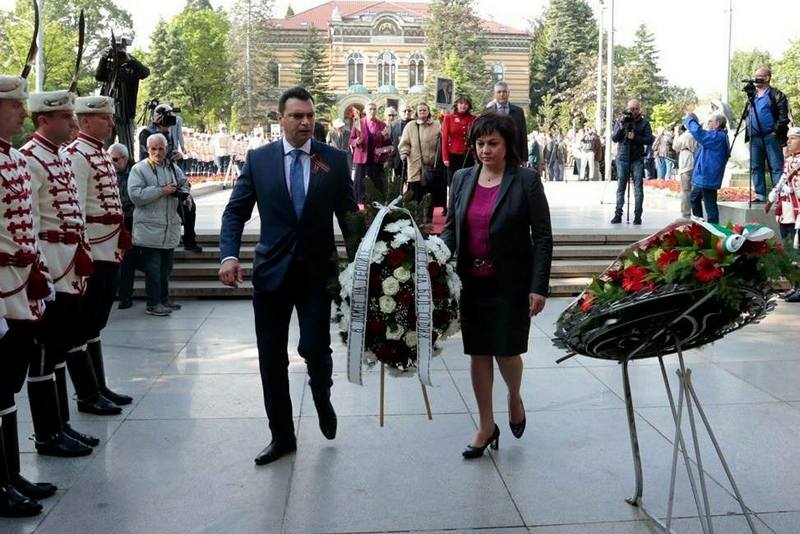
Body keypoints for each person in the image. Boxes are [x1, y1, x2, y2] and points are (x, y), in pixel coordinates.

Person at [219, 87, 357, 466]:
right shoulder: (259, 159)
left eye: (310, 115)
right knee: (271, 358)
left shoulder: (333, 160)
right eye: (297, 116)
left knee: (315, 347)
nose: (305, 122)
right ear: (280, 119)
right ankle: (281, 436)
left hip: (317, 274)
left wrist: (363, 263)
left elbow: (349, 217)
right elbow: (235, 212)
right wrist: (229, 255)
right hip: (271, 275)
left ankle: (322, 395)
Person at [441, 113, 553, 459]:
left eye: (493, 143)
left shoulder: (526, 180)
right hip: (471, 283)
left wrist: (538, 286)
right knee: (478, 352)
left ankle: (514, 396)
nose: (485, 150)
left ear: (507, 146)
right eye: (480, 143)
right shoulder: (462, 178)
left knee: (506, 351)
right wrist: (433, 257)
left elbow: (543, 236)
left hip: (511, 283)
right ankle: (486, 425)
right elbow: (451, 228)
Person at [21, 89, 99, 458]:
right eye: (66, 117)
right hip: (50, 265)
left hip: (68, 263)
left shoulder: (58, 156)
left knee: (59, 348)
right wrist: (39, 270)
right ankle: (47, 435)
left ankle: (61, 425)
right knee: (44, 351)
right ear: (44, 120)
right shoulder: (30, 159)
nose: (72, 123)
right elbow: (30, 222)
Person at [0, 75, 59, 518]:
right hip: (2, 288)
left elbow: (30, 224)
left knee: (8, 384)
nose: (24, 112)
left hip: (21, 285)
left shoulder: (13, 159)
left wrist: (37, 269)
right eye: (15, 105)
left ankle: (10, 474)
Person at [63, 95, 132, 415]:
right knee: (83, 322)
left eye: (110, 117)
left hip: (109, 248)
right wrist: (82, 251)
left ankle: (99, 386)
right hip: (93, 249)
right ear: (85, 121)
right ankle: (87, 394)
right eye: (104, 117)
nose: (110, 122)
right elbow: (75, 208)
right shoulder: (77, 155)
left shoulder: (100, 154)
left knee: (96, 322)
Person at [128, 134, 189, 317]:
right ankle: (153, 304)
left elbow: (184, 183)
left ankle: (163, 300)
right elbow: (136, 196)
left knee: (165, 269)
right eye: (153, 149)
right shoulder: (139, 169)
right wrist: (161, 191)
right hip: (149, 230)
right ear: (147, 149)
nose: (157, 152)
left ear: (166, 148)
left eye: (161, 148)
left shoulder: (172, 167)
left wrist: (185, 196)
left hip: (169, 228)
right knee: (153, 270)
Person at [139, 105, 201, 253]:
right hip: (153, 179)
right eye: (168, 116)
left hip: (170, 175)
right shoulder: (147, 133)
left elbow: (170, 155)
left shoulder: (168, 134)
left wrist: (177, 155)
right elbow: (151, 157)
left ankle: (189, 239)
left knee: (189, 205)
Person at [95, 37, 149, 157]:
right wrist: (103, 58)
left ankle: (128, 166)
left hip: (125, 114)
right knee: (105, 148)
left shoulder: (131, 63)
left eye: (121, 47)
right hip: (108, 113)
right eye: (116, 47)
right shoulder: (108, 63)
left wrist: (129, 59)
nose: (118, 50)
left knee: (127, 149)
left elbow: (145, 73)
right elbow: (98, 76)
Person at [766, 126, 800, 302]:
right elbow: (783, 178)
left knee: (797, 248)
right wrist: (775, 193)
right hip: (786, 211)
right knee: (788, 250)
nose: (788, 141)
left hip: (797, 211)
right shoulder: (789, 160)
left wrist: (792, 189)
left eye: (792, 138)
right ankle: (794, 285)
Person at [747, 66, 791, 202]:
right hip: (754, 138)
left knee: (776, 166)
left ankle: (779, 196)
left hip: (771, 136)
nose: (756, 79)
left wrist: (775, 132)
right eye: (755, 76)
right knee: (756, 167)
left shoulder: (776, 95)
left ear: (767, 78)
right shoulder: (752, 95)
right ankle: (760, 195)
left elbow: (783, 117)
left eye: (759, 76)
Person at [610, 99, 654, 225]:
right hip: (622, 158)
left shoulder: (644, 123)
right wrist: (621, 127)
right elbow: (614, 138)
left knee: (638, 188)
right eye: (631, 109)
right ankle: (618, 214)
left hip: (637, 159)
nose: (633, 111)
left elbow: (649, 140)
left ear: (639, 109)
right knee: (621, 187)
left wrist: (635, 137)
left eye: (635, 109)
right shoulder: (621, 120)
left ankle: (638, 215)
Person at [684, 112, 729, 224]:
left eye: (710, 121)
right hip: (705, 176)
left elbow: (699, 133)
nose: (708, 123)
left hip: (708, 176)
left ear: (717, 124)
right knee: (694, 198)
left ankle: (712, 229)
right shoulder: (718, 136)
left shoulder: (717, 137)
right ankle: (700, 224)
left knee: (710, 204)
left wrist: (690, 119)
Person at [399, 102, 442, 219]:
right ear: (417, 112)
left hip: (430, 166)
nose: (422, 112)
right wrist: (404, 153)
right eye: (420, 110)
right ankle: (416, 217)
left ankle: (428, 217)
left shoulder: (436, 125)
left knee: (429, 194)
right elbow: (404, 142)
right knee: (415, 192)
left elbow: (442, 141)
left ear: (428, 111)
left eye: (424, 110)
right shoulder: (410, 126)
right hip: (415, 165)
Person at [108, 144, 138, 310]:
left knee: (128, 260)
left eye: (115, 159)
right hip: (111, 222)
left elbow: (135, 197)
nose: (111, 163)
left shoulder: (136, 172)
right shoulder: (106, 171)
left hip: (130, 220)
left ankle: (125, 295)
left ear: (125, 158)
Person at [349, 102, 390, 202]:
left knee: (377, 186)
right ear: (365, 111)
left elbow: (388, 143)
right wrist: (356, 142)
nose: (372, 111)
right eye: (370, 109)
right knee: (361, 187)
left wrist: (384, 140)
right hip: (362, 160)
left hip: (376, 160)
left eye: (374, 109)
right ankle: (360, 206)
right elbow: (351, 140)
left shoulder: (382, 125)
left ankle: (376, 205)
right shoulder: (358, 123)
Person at [484, 81, 528, 164]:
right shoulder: (488, 112)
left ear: (508, 93)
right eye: (499, 92)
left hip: (514, 154)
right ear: (495, 94)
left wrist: (524, 158)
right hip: (494, 153)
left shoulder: (518, 112)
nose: (502, 94)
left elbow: (523, 135)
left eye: (504, 92)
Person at [442, 95, 476, 186]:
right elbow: (445, 138)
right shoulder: (449, 118)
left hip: (468, 155)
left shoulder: (473, 119)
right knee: (454, 183)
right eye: (461, 103)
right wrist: (445, 157)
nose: (463, 106)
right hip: (454, 155)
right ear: (456, 104)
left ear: (469, 106)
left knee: (467, 183)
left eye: (466, 104)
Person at [672, 123, 698, 219]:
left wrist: (676, 133)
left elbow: (675, 146)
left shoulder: (686, 135)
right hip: (695, 162)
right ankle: (696, 212)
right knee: (695, 189)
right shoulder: (698, 133)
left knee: (686, 190)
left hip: (686, 163)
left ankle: (686, 213)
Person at [390, 105, 415, 182]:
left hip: (413, 160)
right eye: (404, 111)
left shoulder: (416, 124)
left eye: (409, 111)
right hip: (398, 161)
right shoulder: (394, 125)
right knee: (398, 184)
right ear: (400, 113)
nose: (407, 112)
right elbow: (392, 142)